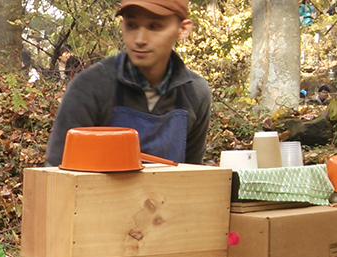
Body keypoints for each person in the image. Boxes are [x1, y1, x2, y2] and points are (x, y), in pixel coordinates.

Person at [45, 0, 212, 166]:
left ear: (182, 29)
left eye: (154, 26)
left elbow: (192, 175)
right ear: (122, 24)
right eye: (132, 25)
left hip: (170, 192)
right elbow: (57, 179)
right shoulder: (91, 86)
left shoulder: (195, 93)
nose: (140, 39)